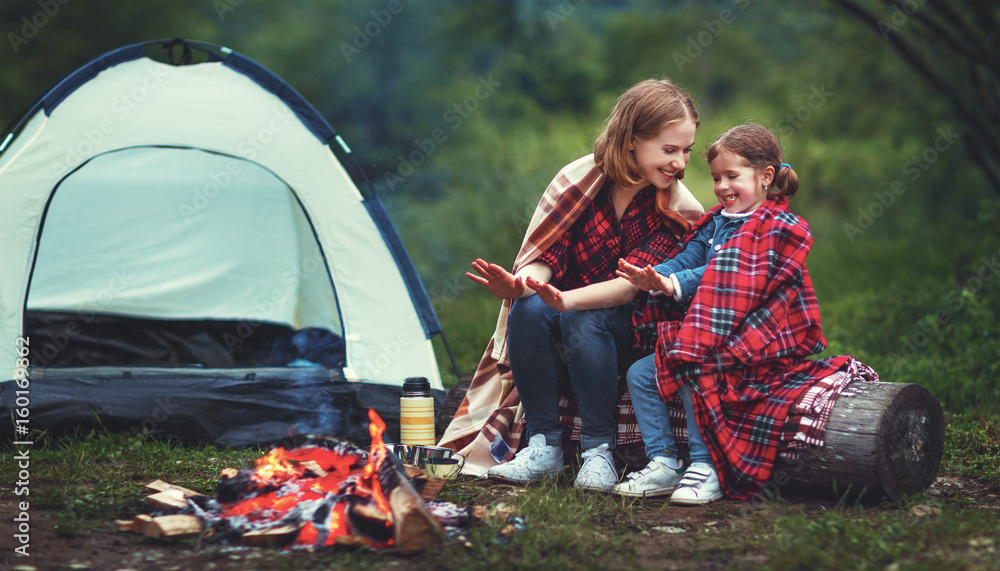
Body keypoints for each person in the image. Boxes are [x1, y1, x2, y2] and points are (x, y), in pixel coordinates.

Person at [459, 79, 705, 491]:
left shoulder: (675, 211)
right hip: (567, 314)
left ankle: (598, 452)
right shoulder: (581, 185)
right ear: (631, 142)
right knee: (530, 309)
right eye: (669, 150)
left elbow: (628, 288)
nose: (680, 162)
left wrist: (566, 301)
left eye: (686, 151)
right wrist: (518, 286)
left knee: (581, 321)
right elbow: (548, 257)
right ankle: (544, 447)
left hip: (632, 331)